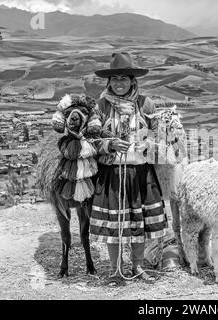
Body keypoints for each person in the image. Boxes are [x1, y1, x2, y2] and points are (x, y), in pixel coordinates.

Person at [89, 52, 168, 283]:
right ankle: (115, 269)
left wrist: (148, 143)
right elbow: (91, 139)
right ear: (109, 82)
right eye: (115, 79)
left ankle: (138, 266)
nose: (119, 83)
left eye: (124, 78)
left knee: (138, 222)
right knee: (115, 224)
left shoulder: (145, 104)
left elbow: (159, 133)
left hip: (140, 172)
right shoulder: (101, 106)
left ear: (133, 80)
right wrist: (110, 143)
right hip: (112, 173)